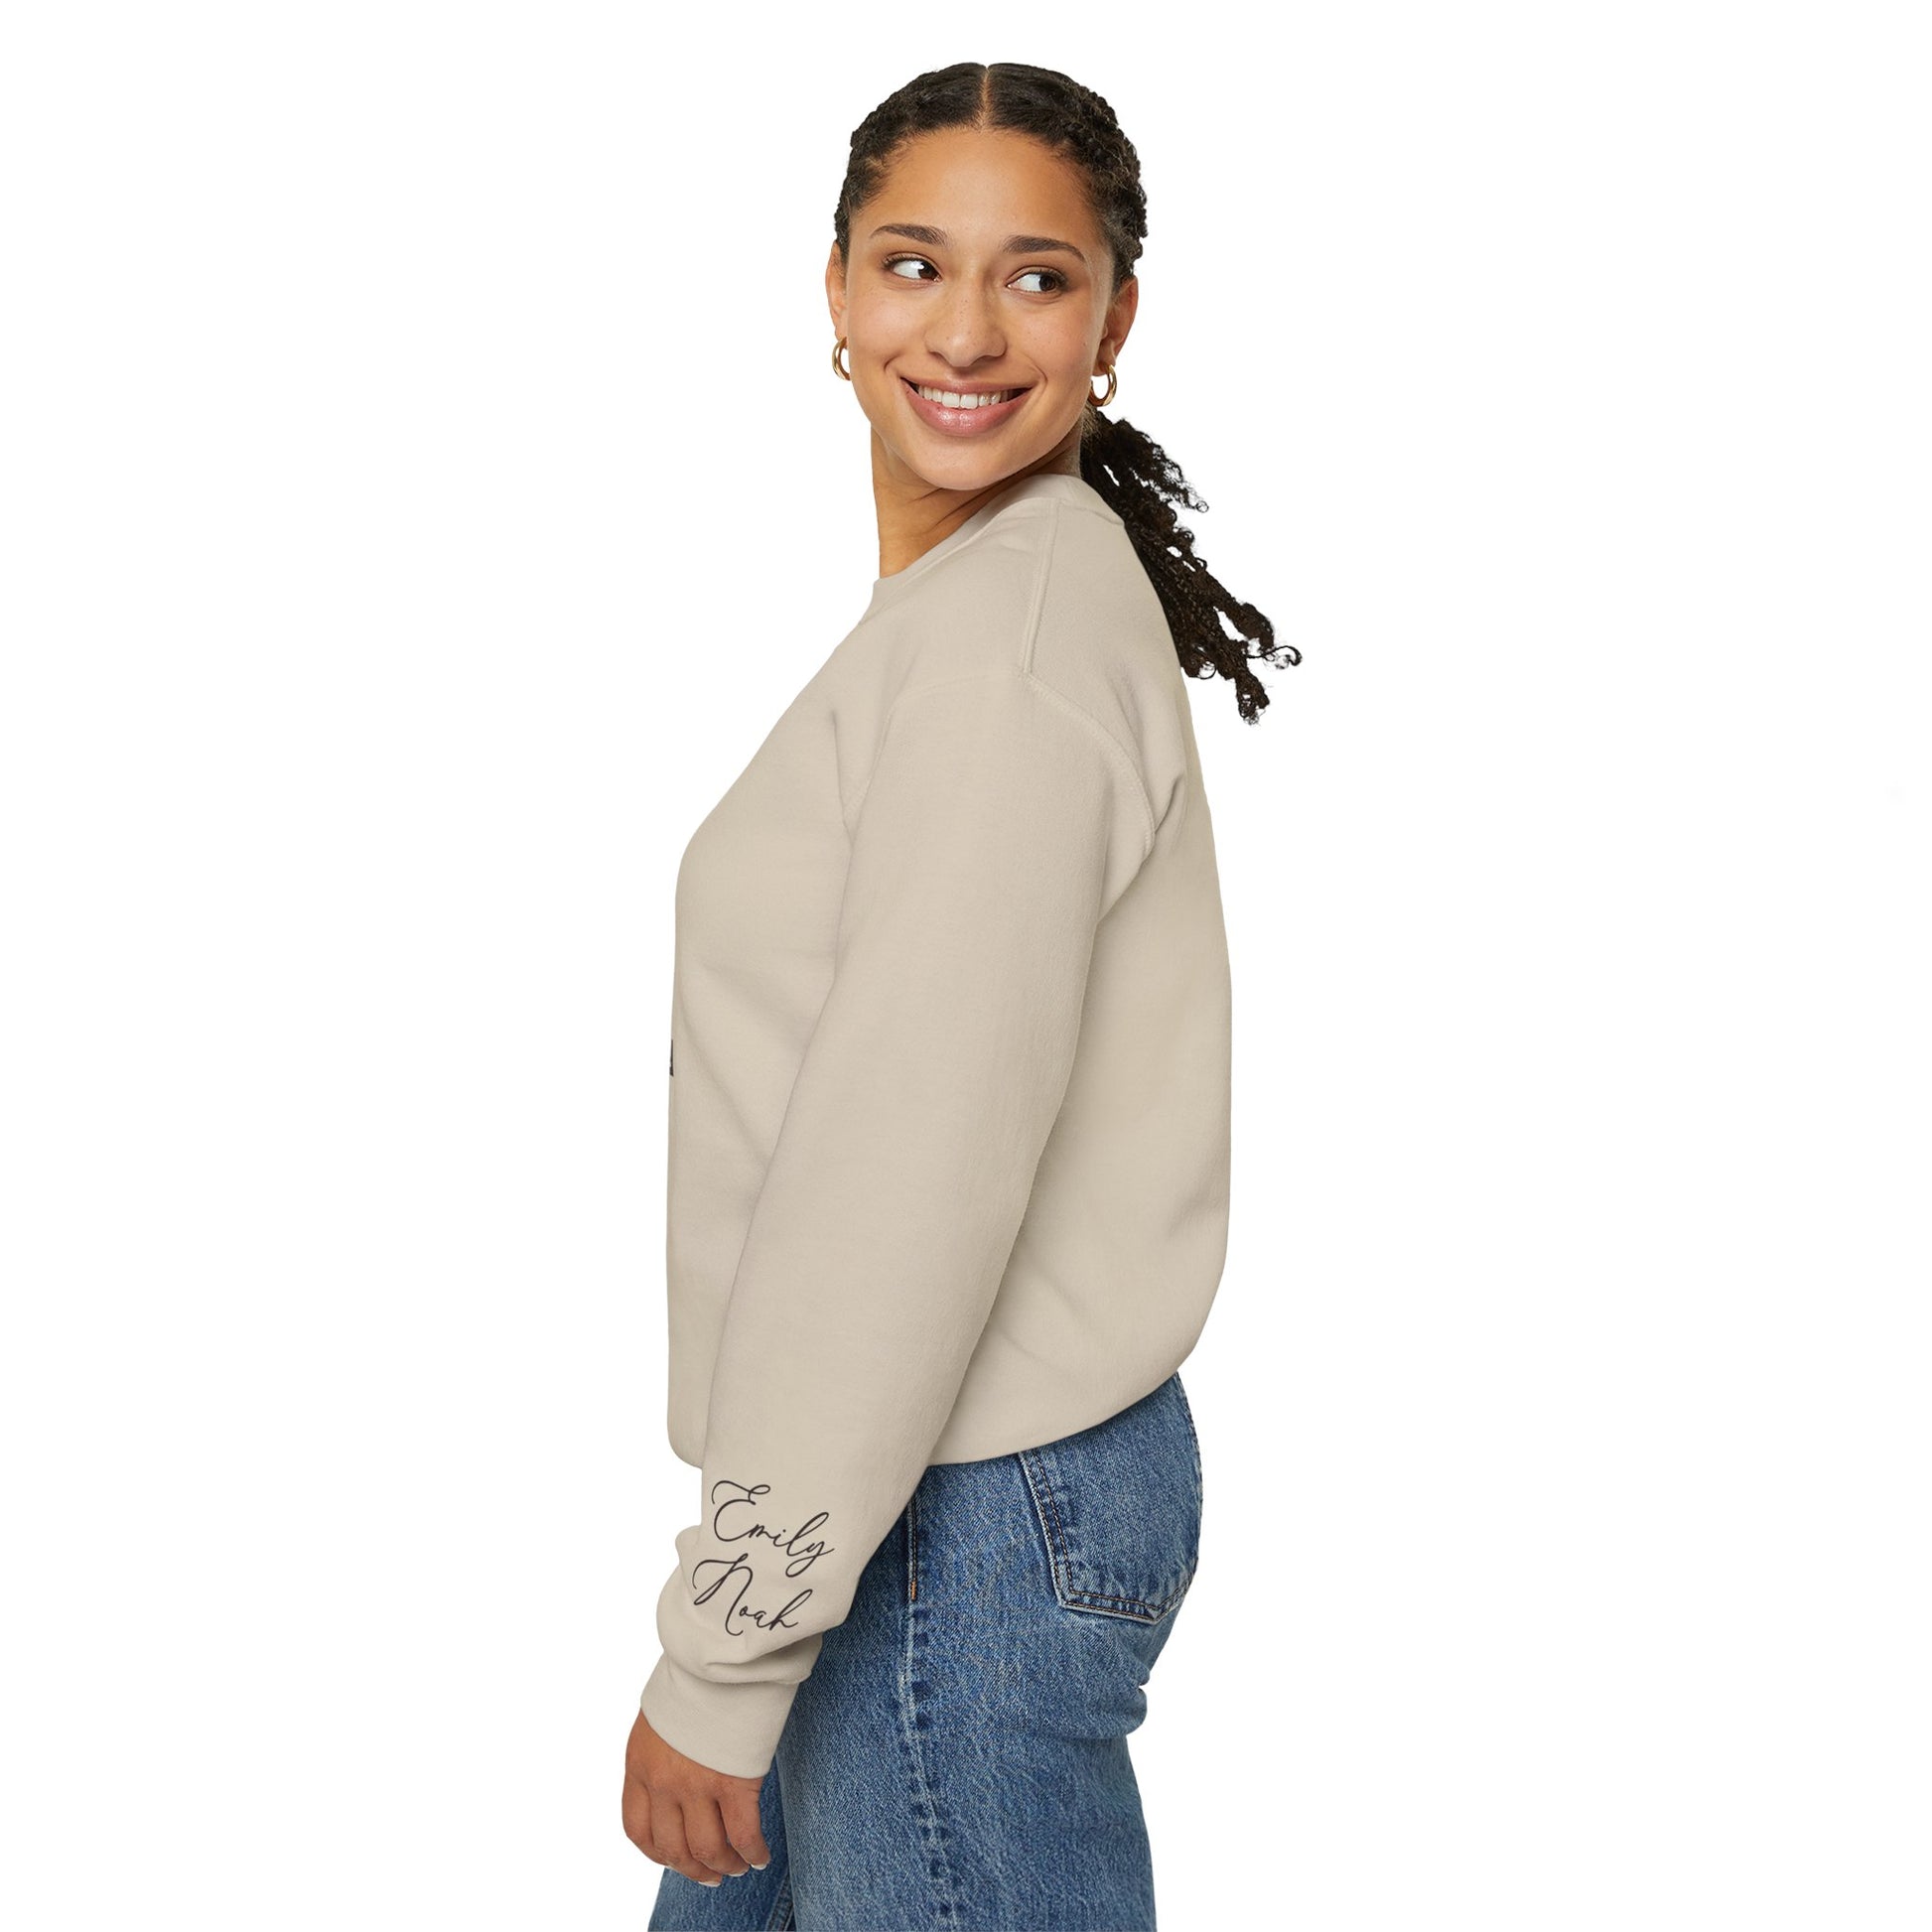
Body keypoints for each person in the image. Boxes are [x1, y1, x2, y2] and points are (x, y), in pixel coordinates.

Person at [621, 61, 1294, 1931]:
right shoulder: (979, 607)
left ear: (1114, 321)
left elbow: (900, 1173)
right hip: (901, 1499)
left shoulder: (1008, 646)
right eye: (915, 264)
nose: (968, 331)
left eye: (1038, 276)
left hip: (957, 1518)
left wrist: (726, 1649)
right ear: (835, 289)